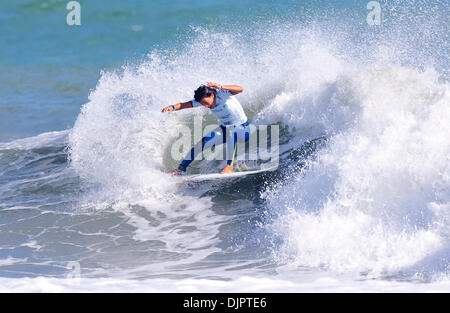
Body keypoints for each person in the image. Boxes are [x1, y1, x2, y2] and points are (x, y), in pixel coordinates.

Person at [161, 82, 250, 175]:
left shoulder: (222, 94)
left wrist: (220, 87)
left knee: (231, 130)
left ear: (212, 95)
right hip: (225, 129)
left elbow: (240, 89)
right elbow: (183, 105)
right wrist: (172, 107)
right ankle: (180, 169)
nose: (205, 106)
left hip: (243, 129)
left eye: (205, 103)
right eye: (202, 104)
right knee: (201, 144)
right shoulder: (203, 101)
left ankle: (229, 166)